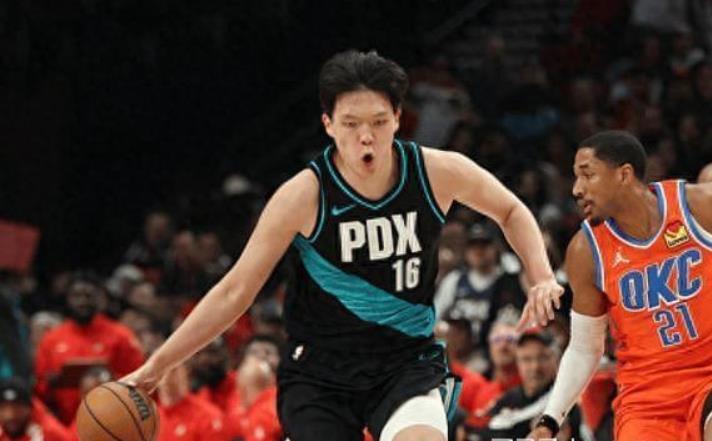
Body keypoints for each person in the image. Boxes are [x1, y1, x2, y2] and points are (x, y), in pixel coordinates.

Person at [123, 50, 562, 441]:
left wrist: (541, 276)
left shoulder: (436, 172)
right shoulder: (303, 196)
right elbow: (236, 291)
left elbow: (511, 210)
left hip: (404, 362)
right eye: (351, 124)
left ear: (398, 118)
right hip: (320, 375)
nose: (365, 136)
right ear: (329, 124)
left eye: (378, 122)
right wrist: (156, 367)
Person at [529, 130, 712, 441]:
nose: (576, 189)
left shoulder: (697, 206)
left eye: (588, 175)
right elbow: (585, 348)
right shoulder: (586, 251)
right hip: (646, 399)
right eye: (576, 177)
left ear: (624, 175)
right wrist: (549, 420)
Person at [34, 273, 144, 425]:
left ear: (100, 299)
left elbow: (138, 378)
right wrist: (52, 383)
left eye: (89, 296)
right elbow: (39, 387)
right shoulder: (51, 340)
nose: (82, 301)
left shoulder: (121, 336)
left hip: (112, 421)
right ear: (67, 299)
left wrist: (109, 380)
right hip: (64, 423)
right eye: (77, 296)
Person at [472, 331, 581, 441]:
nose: (535, 367)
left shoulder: (565, 404)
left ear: (557, 361)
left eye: (543, 358)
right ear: (517, 362)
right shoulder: (508, 398)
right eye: (527, 359)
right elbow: (478, 429)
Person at [0, 377, 72, 441]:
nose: (10, 415)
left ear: (30, 408)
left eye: (17, 408)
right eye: (4, 408)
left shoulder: (51, 434)